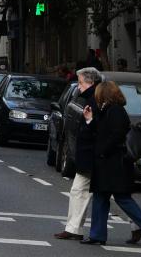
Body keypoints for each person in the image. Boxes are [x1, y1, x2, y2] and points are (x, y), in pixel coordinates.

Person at [81, 81, 141, 248]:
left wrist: (102, 151)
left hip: (114, 163)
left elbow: (116, 135)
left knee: (122, 199)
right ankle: (97, 234)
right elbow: (100, 131)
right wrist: (90, 120)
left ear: (104, 94)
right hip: (108, 163)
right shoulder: (107, 110)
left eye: (98, 94)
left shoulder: (116, 111)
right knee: (100, 198)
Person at [54, 66, 102, 241]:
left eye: (81, 83)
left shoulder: (95, 99)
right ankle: (74, 228)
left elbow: (96, 128)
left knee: (117, 196)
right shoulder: (91, 98)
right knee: (79, 191)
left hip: (92, 155)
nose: (78, 87)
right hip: (89, 154)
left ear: (90, 82)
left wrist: (89, 121)